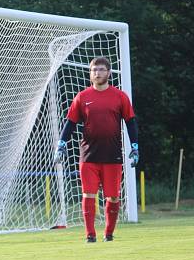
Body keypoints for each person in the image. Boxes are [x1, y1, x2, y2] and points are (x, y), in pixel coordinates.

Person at [54, 56, 139, 243]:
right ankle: (90, 235)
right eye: (94, 70)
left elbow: (131, 122)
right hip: (89, 156)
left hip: (112, 155)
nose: (97, 73)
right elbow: (70, 123)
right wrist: (61, 144)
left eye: (101, 69)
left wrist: (135, 147)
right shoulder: (82, 97)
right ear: (90, 73)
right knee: (88, 194)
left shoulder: (120, 96)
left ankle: (108, 234)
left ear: (108, 73)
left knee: (113, 197)